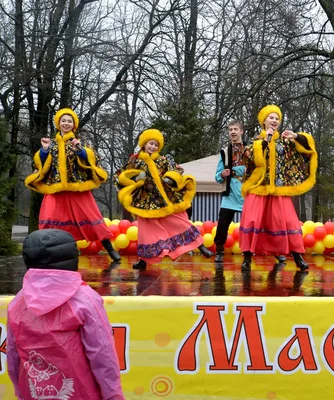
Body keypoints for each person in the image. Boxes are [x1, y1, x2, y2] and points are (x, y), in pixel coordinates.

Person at [7, 229, 125, 400]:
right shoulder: (85, 300)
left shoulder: (18, 303)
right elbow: (103, 355)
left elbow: (12, 355)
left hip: (33, 392)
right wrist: (114, 396)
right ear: (73, 258)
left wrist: (20, 391)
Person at [25, 108, 121, 262]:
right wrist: (44, 150)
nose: (66, 123)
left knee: (91, 217)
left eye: (70, 121)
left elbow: (93, 159)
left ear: (74, 125)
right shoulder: (52, 145)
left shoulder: (79, 143)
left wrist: (80, 150)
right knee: (49, 219)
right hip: (56, 188)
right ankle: (47, 254)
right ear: (58, 123)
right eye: (64, 120)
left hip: (77, 187)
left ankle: (109, 249)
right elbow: (39, 163)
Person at [116, 129, 212, 270]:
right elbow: (120, 176)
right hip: (144, 201)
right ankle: (143, 260)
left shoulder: (163, 160)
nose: (153, 147)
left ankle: (201, 246)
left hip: (164, 199)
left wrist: (171, 179)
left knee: (179, 222)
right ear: (144, 144)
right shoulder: (135, 161)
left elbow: (176, 170)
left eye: (156, 145)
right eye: (151, 143)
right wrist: (135, 178)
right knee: (145, 230)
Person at [239, 104, 317, 271]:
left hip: (279, 189)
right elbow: (248, 159)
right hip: (259, 187)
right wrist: (266, 141)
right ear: (264, 121)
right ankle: (247, 258)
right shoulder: (256, 141)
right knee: (252, 220)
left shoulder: (285, 142)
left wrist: (296, 136)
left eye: (277, 118)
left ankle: (297, 256)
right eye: (271, 118)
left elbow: (306, 149)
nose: (274, 121)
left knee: (288, 222)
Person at [214, 120, 286, 264]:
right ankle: (220, 250)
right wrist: (222, 174)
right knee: (222, 223)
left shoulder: (251, 147)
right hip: (231, 194)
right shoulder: (225, 152)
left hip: (249, 193)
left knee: (259, 224)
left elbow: (261, 162)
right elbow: (217, 176)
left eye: (235, 129)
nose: (232, 132)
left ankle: (274, 251)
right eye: (230, 129)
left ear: (242, 131)